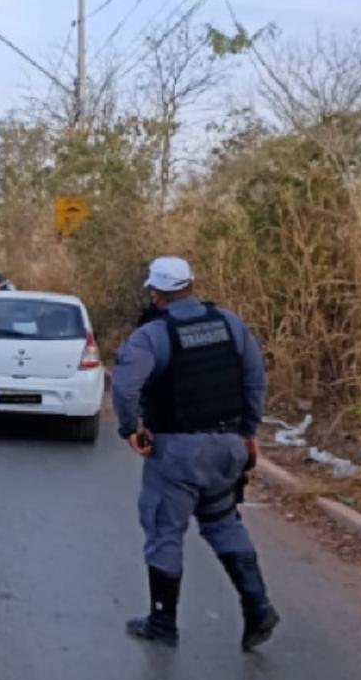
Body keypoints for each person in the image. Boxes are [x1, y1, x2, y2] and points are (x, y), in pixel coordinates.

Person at [111, 256, 280, 651]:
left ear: (156, 294)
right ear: (190, 286)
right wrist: (248, 433)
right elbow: (255, 380)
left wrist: (130, 429)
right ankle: (258, 606)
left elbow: (124, 387)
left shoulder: (153, 335)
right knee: (223, 522)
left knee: (164, 531)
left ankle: (162, 621)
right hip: (228, 447)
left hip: (177, 453)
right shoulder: (230, 324)